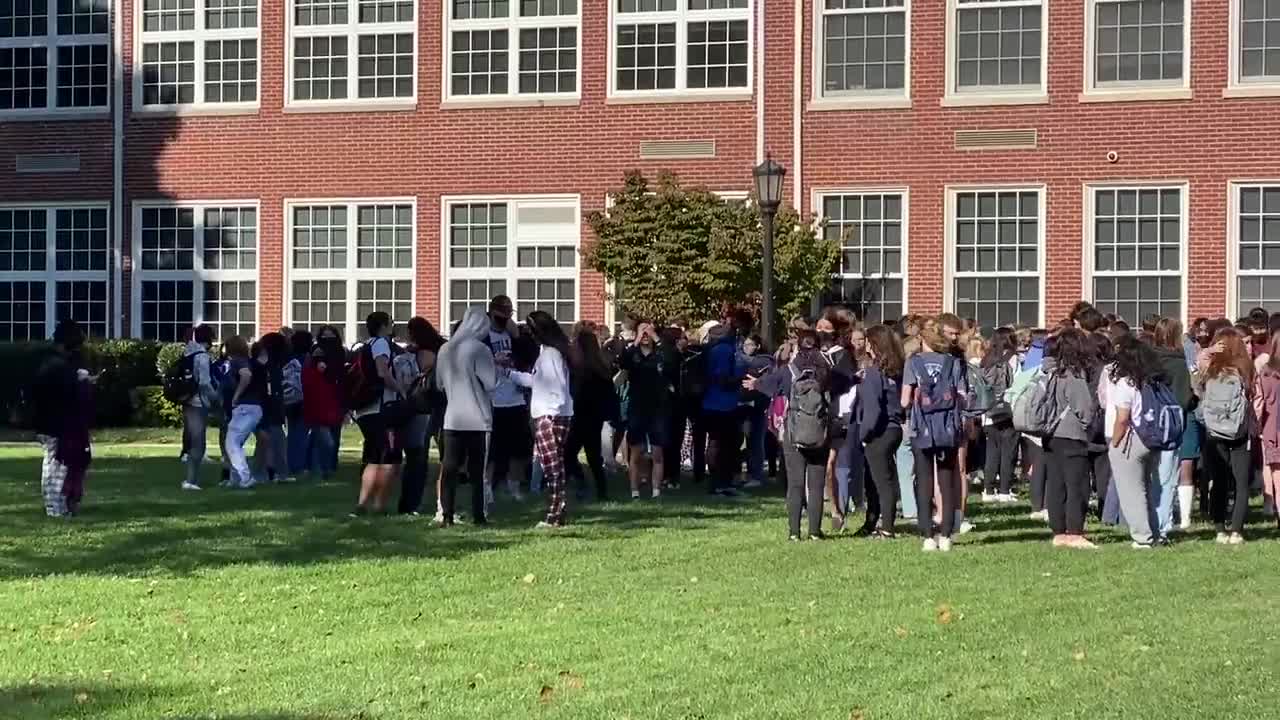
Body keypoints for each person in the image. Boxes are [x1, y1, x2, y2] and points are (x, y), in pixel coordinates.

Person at [746, 329, 832, 541]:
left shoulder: (788, 371)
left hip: (793, 431)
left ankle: (794, 532)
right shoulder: (827, 372)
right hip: (820, 432)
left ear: (798, 347)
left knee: (794, 484)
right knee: (816, 484)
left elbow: (769, 385)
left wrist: (754, 383)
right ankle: (815, 532)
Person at [901, 319, 967, 552]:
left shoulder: (913, 362)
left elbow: (904, 400)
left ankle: (928, 535)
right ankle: (947, 535)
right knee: (947, 479)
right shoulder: (953, 363)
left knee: (924, 479)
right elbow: (962, 396)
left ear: (923, 340)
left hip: (921, 428)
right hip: (948, 427)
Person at [506, 311, 575, 528]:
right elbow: (537, 381)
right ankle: (557, 512)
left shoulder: (551, 354)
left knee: (552, 466)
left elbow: (558, 387)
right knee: (552, 466)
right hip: (551, 413)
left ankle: (554, 515)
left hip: (551, 415)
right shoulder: (548, 353)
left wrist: (552, 413)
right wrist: (509, 373)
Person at [1101, 335, 1165, 549]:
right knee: (1146, 488)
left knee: (1131, 493)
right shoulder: (1153, 381)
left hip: (1131, 438)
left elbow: (1122, 418)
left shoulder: (1124, 383)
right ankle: (1154, 534)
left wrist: (1115, 443)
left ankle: (1142, 537)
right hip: (1153, 438)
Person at [436, 307, 498, 527]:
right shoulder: (479, 349)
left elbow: (439, 384)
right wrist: (497, 365)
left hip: (452, 417)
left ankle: (446, 515)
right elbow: (491, 383)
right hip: (478, 418)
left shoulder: (445, 349)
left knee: (450, 468)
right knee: (477, 471)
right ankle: (479, 516)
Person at [1040, 329, 1101, 550]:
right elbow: (1084, 409)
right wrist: (1088, 426)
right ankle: (1075, 532)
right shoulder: (1074, 376)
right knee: (1077, 486)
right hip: (1072, 435)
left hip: (1050, 434)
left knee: (1056, 485)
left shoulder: (1050, 372)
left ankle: (1059, 532)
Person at [1198, 328, 1255, 544]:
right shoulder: (1244, 368)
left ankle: (1220, 529)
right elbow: (1252, 396)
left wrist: (1208, 351)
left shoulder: (1210, 369)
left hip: (1214, 430)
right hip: (1240, 430)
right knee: (1241, 483)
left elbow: (1196, 384)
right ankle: (1237, 531)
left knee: (1219, 480)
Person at [351, 312, 408, 517]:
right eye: (391, 323)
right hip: (380, 406)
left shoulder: (367, 344)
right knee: (388, 458)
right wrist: (401, 390)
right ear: (384, 326)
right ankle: (378, 506)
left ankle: (362, 504)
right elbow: (383, 372)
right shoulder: (382, 344)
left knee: (373, 456)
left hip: (366, 408)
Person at [32, 320, 89, 517]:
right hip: (56, 424)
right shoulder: (59, 366)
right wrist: (81, 381)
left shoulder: (47, 362)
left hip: (46, 423)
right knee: (56, 466)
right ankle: (55, 508)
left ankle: (55, 506)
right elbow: (66, 394)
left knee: (52, 464)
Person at [857, 325, 906, 537]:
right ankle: (877, 522)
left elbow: (873, 409)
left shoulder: (873, 372)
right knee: (886, 479)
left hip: (879, 431)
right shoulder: (895, 370)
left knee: (881, 483)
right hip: (895, 429)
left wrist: (864, 435)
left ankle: (887, 528)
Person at [619, 322, 675, 499]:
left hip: (658, 407)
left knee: (657, 451)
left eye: (648, 332)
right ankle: (635, 490)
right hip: (637, 407)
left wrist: (656, 337)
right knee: (636, 451)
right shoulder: (633, 354)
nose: (645, 335)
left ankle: (656, 490)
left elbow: (671, 361)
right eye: (641, 331)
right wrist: (635, 341)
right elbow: (623, 362)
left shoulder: (659, 353)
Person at [486, 295, 533, 501]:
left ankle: (514, 486)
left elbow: (530, 355)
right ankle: (487, 487)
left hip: (515, 397)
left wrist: (517, 336)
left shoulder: (515, 335)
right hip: (492, 398)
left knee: (519, 447)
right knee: (492, 449)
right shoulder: (483, 336)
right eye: (500, 316)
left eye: (508, 315)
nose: (504, 320)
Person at [1152, 318, 1195, 534]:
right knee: (1167, 476)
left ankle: (1146, 520)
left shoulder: (1148, 360)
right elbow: (1185, 398)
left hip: (1147, 421)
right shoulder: (1179, 363)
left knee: (1149, 476)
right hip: (1173, 422)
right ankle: (1164, 523)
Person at [397, 317, 444, 516]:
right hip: (439, 406)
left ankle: (410, 504)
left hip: (421, 408)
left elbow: (420, 375)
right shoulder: (441, 348)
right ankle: (440, 502)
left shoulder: (423, 353)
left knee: (417, 458)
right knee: (441, 457)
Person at [566, 326, 616, 501]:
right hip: (595, 417)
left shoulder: (579, 369)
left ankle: (581, 483)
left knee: (568, 454)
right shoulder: (601, 367)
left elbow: (576, 393)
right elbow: (609, 393)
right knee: (594, 457)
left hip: (580, 416)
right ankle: (601, 492)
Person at [703, 322, 746, 497]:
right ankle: (719, 484)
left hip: (718, 403)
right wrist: (740, 379)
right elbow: (722, 378)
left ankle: (722, 483)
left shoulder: (717, 349)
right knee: (721, 444)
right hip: (721, 404)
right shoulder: (723, 350)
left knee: (722, 444)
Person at [980, 327, 1019, 502]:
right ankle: (1004, 490)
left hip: (987, 412)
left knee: (992, 451)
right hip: (1006, 410)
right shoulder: (1008, 361)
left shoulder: (985, 360)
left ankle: (988, 490)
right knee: (1008, 451)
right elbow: (1014, 384)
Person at [302, 330, 344, 484]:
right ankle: (322, 468)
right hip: (319, 403)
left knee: (331, 439)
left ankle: (326, 467)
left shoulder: (340, 356)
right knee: (326, 440)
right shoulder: (315, 354)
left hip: (335, 401)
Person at [223, 335, 264, 490]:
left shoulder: (237, 361)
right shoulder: (247, 361)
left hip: (245, 407)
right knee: (236, 442)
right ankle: (235, 479)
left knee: (231, 443)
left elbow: (246, 375)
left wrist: (236, 396)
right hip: (252, 408)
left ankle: (245, 477)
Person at [180, 324, 218, 491]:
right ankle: (190, 481)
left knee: (193, 441)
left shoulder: (188, 352)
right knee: (198, 444)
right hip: (198, 402)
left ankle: (191, 480)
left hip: (187, 400)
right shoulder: (202, 356)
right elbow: (204, 382)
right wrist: (215, 398)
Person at [253, 333, 290, 484]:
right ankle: (269, 473)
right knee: (273, 440)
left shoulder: (269, 365)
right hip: (268, 406)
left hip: (266, 406)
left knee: (269, 441)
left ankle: (269, 472)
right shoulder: (269, 367)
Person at [282, 330, 314, 482]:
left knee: (293, 433)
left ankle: (289, 463)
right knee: (301, 434)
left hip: (289, 399)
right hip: (304, 399)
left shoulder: (287, 358)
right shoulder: (308, 360)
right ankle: (298, 466)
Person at [1257, 331, 1280, 531]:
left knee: (1276, 472)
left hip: (1273, 428)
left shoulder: (1266, 372)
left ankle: (1275, 506)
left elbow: (1260, 402)